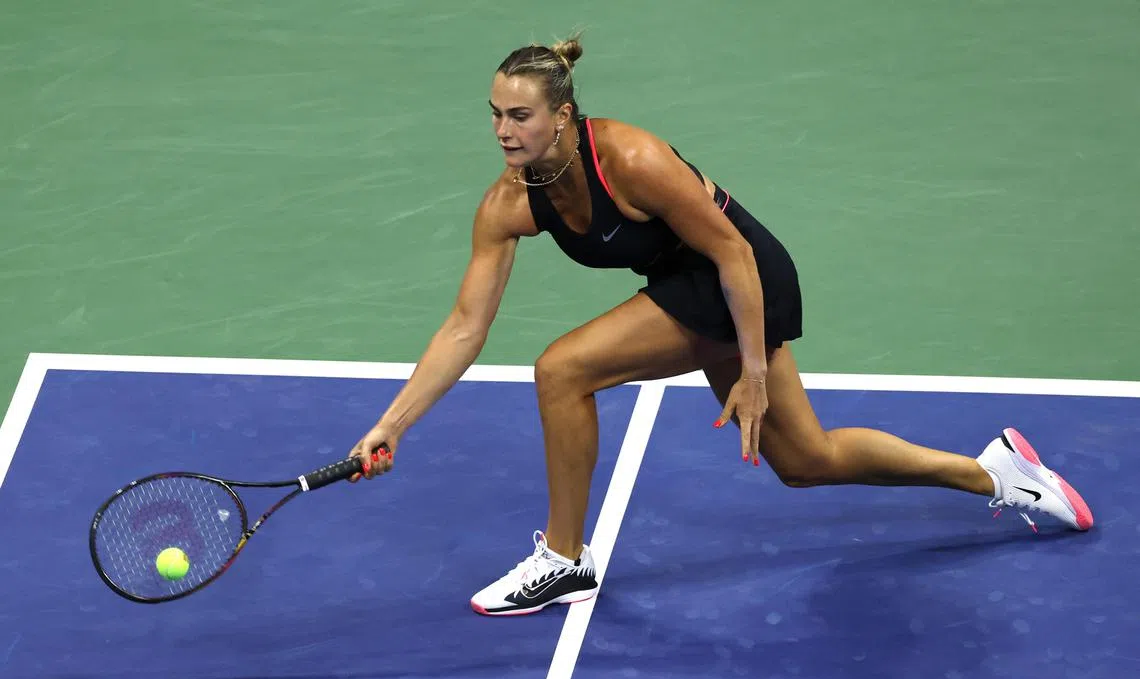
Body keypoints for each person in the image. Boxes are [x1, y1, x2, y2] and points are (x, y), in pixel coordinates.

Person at [348, 35, 1094, 617]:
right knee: (807, 462)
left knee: (562, 369)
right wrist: (394, 423)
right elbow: (462, 328)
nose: (504, 132)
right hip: (685, 287)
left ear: (563, 117)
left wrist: (755, 376)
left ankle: (567, 558)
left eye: (520, 116)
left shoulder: (633, 159)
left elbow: (733, 252)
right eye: (496, 115)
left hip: (743, 276)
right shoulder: (508, 205)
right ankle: (998, 473)